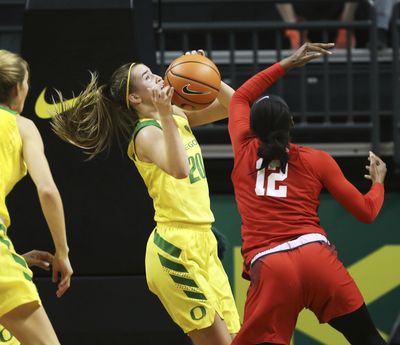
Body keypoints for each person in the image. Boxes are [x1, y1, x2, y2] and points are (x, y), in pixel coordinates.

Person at [51, 50, 240, 345]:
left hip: (203, 242)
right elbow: (178, 170)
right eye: (146, 77)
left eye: (153, 71)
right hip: (174, 249)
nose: (156, 76)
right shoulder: (147, 134)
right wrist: (165, 113)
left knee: (236, 339)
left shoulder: (176, 116)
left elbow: (233, 106)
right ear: (136, 99)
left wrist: (207, 72)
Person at [228, 42, 387, 345]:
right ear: (291, 123)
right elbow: (367, 212)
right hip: (316, 257)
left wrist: (286, 63)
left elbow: (240, 96)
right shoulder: (317, 160)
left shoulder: (242, 151)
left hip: (272, 266)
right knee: (366, 336)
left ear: (250, 128)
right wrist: (378, 182)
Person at [0, 49, 73, 344]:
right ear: (19, 88)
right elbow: (47, 189)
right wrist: (63, 252)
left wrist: (13, 258)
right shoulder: (21, 125)